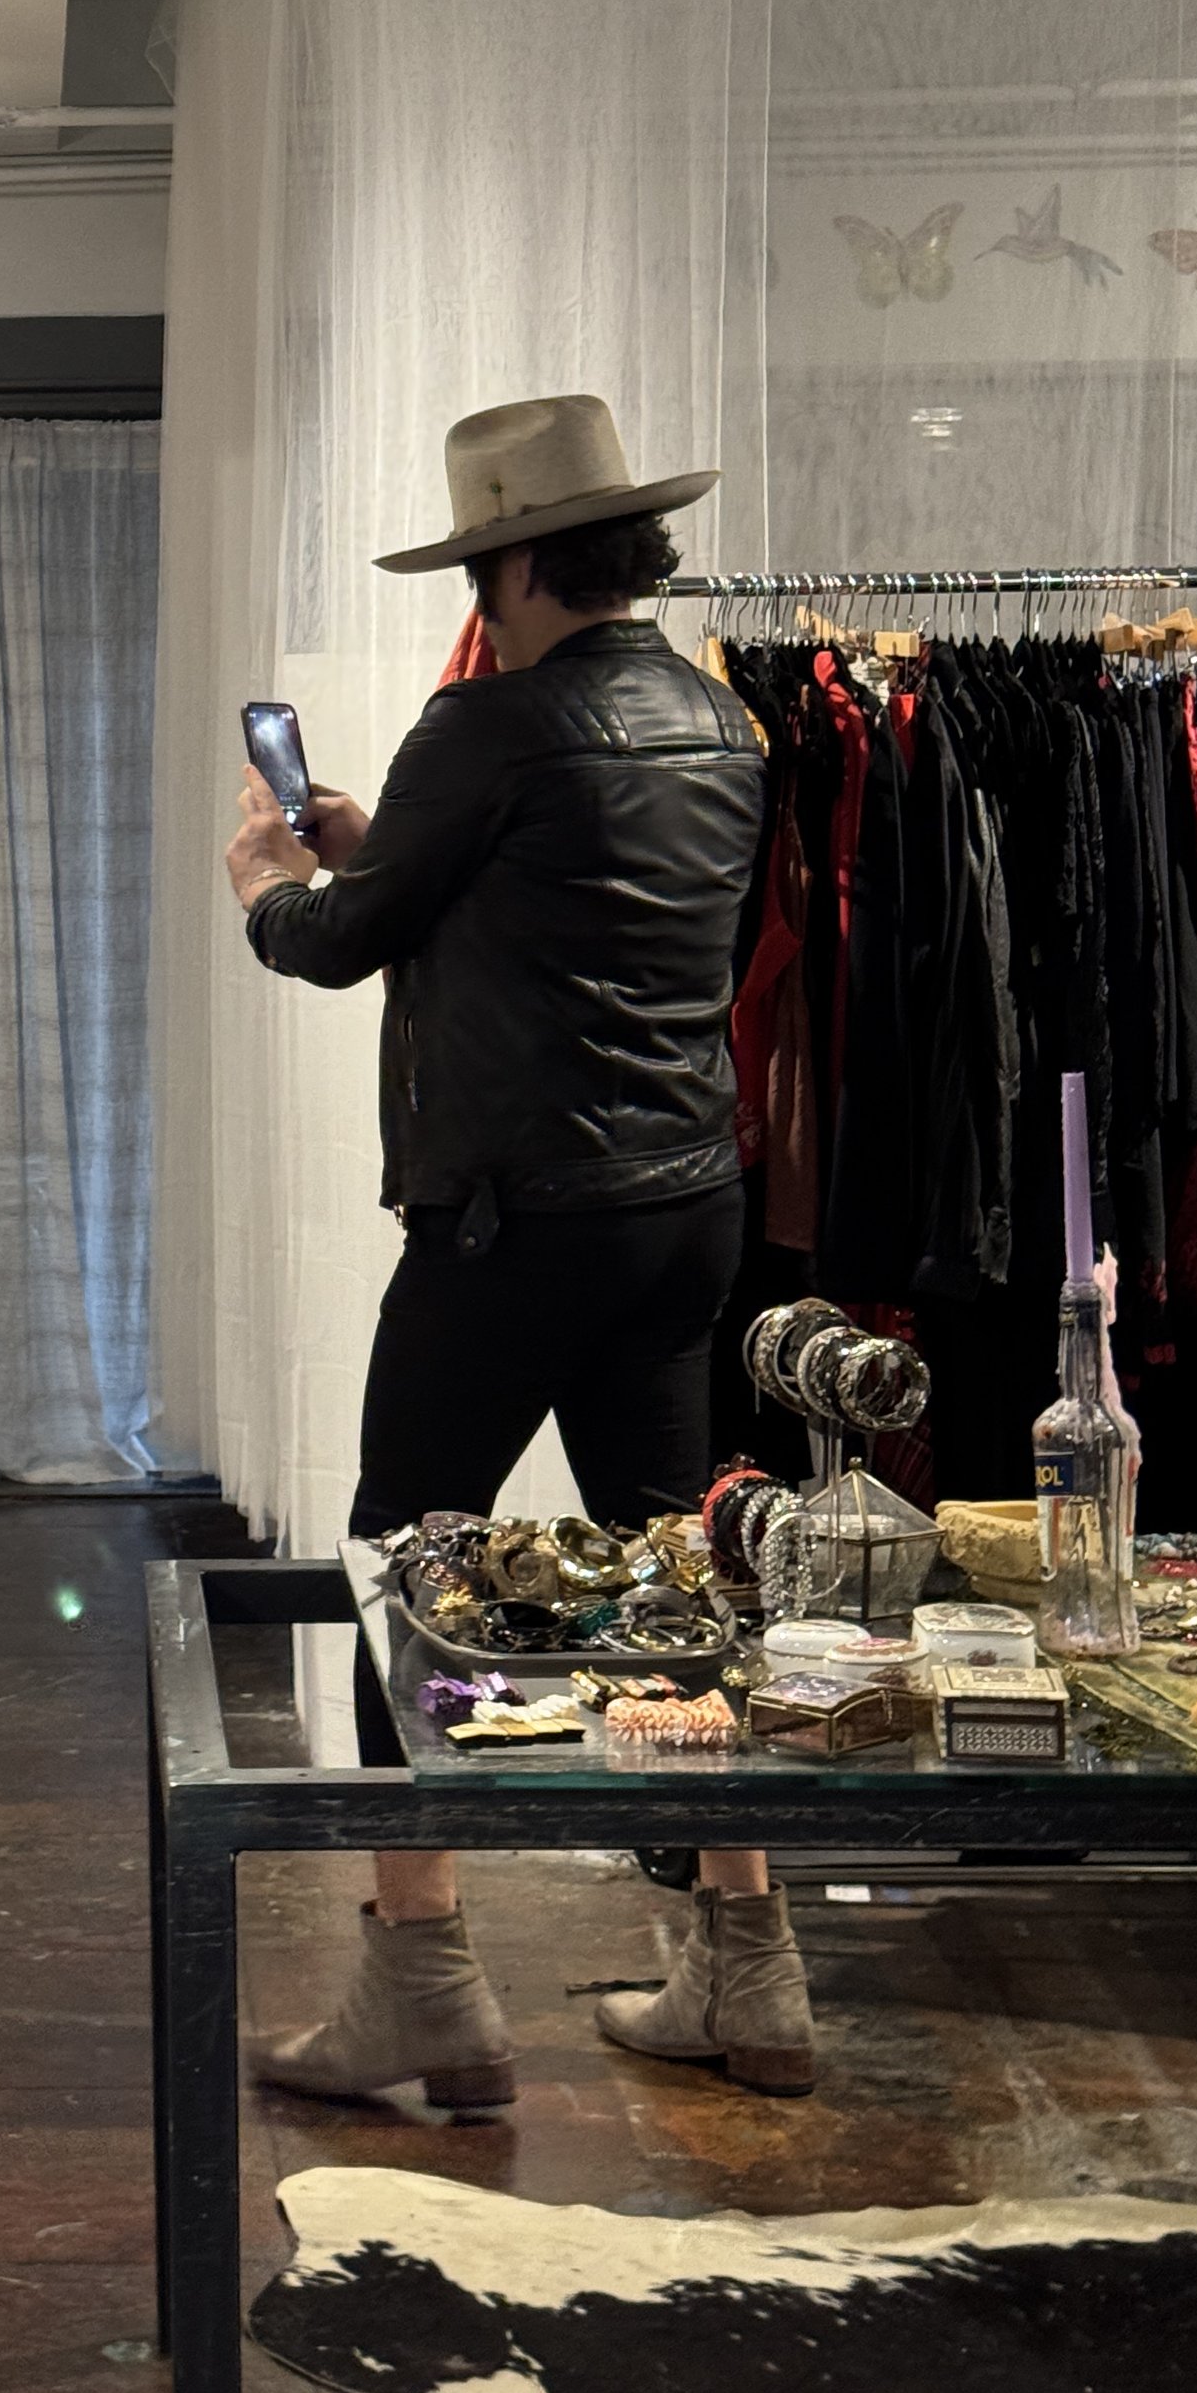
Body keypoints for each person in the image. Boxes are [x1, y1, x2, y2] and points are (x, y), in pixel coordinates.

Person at [223, 395, 818, 2104]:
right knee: (678, 1575)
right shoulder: (724, 721)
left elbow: (340, 947)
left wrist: (267, 875)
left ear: (513, 561)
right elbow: (567, 908)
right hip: (679, 1210)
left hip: (512, 1227)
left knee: (396, 1570)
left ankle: (419, 1984)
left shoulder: (482, 727)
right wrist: (381, 844)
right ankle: (748, 1966)